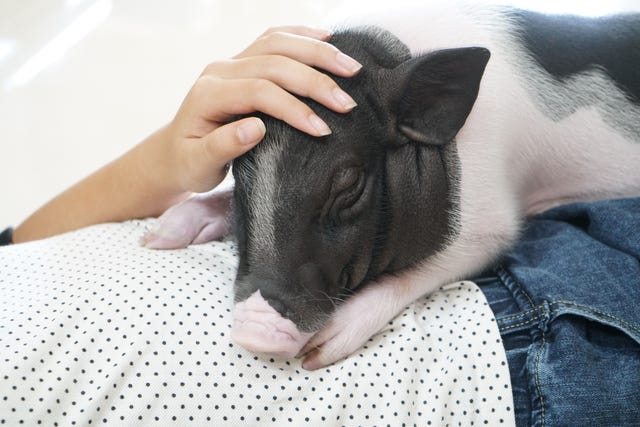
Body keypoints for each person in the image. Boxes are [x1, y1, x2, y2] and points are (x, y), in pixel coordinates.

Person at [1, 25, 639, 427]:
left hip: (555, 329)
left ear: (428, 110)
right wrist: (232, 201)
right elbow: (311, 180)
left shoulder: (456, 109)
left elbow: (490, 225)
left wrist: (169, 158)